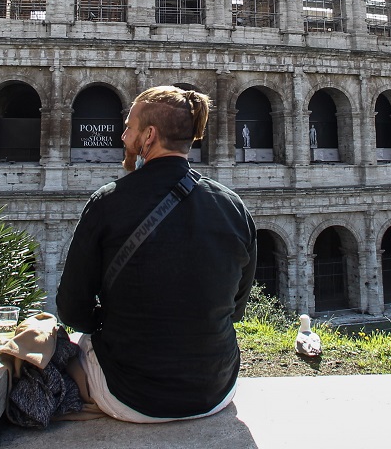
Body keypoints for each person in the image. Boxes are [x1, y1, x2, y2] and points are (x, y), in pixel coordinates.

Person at [57, 85, 257, 422]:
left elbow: (72, 309)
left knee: (64, 352)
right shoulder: (233, 206)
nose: (123, 136)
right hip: (216, 390)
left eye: (129, 128)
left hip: (130, 396)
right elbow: (235, 308)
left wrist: (107, 322)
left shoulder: (108, 203)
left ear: (149, 136)